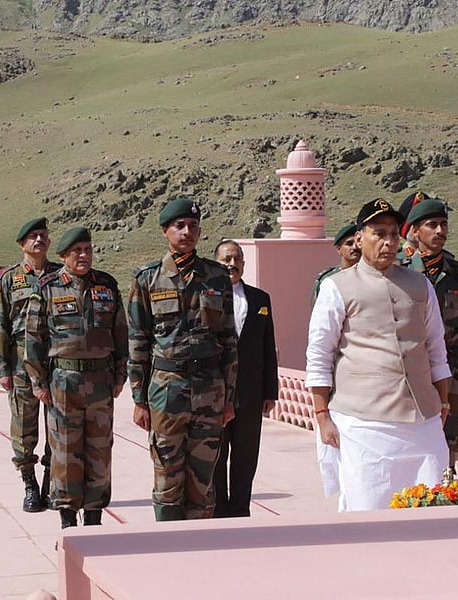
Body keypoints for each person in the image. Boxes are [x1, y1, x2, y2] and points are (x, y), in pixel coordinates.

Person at [306, 198, 451, 512]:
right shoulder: (336, 287)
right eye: (379, 233)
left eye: (393, 234)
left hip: (422, 420)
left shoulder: (420, 285)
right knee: (367, 508)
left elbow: (436, 348)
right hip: (362, 423)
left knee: (430, 505)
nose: (388, 242)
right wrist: (322, 415)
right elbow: (319, 355)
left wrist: (443, 401)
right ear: (359, 238)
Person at [127, 196, 237, 521]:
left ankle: (199, 544)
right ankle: (167, 543)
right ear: (166, 231)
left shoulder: (217, 277)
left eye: (193, 226)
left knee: (203, 482)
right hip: (166, 391)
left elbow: (229, 341)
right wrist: (139, 399)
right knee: (166, 476)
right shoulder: (148, 279)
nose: (187, 232)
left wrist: (229, 398)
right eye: (180, 226)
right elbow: (138, 341)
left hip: (209, 390)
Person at [24, 226, 128, 529]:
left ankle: (94, 518)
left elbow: (120, 333)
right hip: (63, 383)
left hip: (100, 382)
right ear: (63, 256)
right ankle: (68, 520)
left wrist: (120, 374)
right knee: (65, 453)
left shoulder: (107, 285)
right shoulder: (48, 288)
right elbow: (33, 339)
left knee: (99, 452)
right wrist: (38, 383)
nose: (83, 255)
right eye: (76, 251)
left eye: (87, 250)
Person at [399, 195, 458, 467]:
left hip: (451, 377)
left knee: (446, 457)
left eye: (444, 224)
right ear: (414, 231)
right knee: (409, 455)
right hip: (408, 377)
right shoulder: (398, 270)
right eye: (432, 225)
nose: (440, 231)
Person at [0, 217, 61, 512]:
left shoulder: (60, 275)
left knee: (56, 426)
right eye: (33, 236)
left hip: (55, 362)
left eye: (44, 235)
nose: (40, 240)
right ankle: (29, 484)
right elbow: (1, 326)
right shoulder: (10, 280)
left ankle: (49, 481)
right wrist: (2, 368)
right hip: (20, 364)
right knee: (23, 427)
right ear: (22, 244)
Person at [211, 240, 278, 518]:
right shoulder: (206, 297)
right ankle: (217, 512)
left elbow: (268, 346)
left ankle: (240, 512)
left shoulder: (260, 299)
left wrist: (270, 391)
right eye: (226, 259)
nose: (232, 264)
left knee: (246, 455)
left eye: (237, 258)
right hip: (215, 393)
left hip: (250, 393)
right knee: (216, 455)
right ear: (216, 263)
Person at [311, 223, 359, 304]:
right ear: (339, 249)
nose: (355, 247)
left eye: (358, 243)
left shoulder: (372, 275)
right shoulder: (328, 278)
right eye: (349, 244)